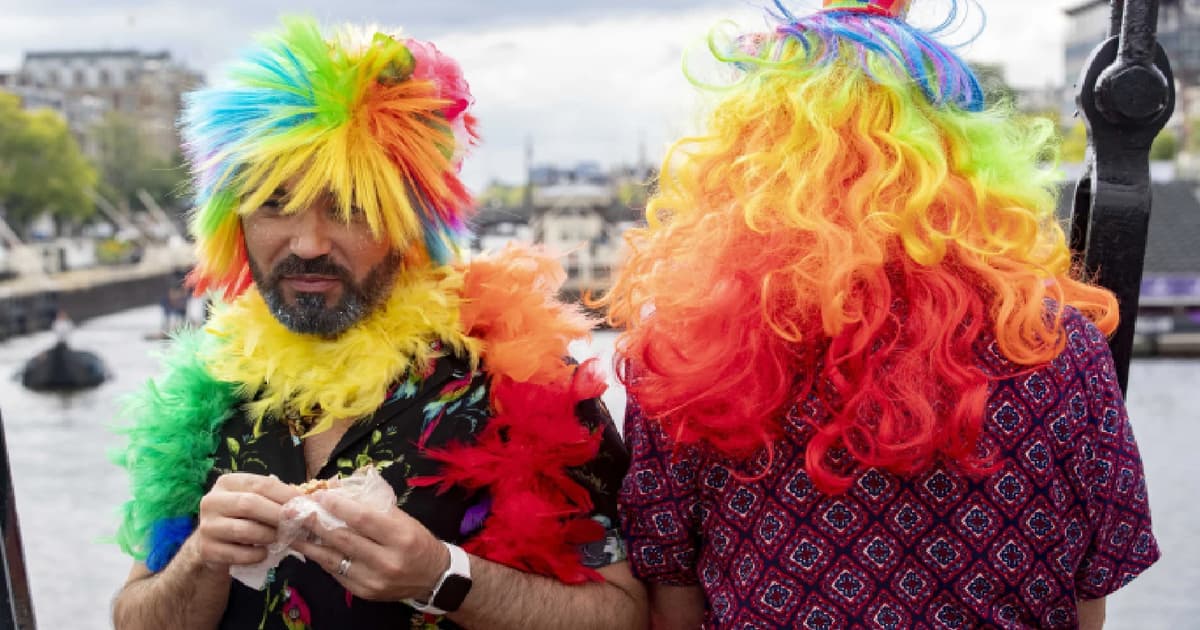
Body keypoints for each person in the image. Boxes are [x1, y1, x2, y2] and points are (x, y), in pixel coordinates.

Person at [603, 1, 1159, 628]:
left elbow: (670, 590)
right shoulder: (1055, 345)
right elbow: (1091, 590)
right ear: (959, 153)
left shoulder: (686, 356)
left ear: (749, 158)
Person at [111, 18, 645, 630]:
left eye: (348, 208)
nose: (308, 242)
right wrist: (201, 556)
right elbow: (136, 618)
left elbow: (622, 615)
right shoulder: (202, 394)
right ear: (234, 221)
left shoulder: (519, 383)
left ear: (412, 223)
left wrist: (444, 577)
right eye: (275, 205)